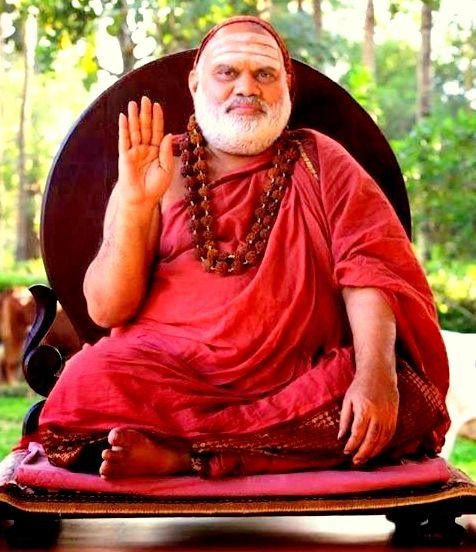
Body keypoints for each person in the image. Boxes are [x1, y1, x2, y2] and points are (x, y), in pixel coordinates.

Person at [36, 15, 450, 480]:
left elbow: (368, 271)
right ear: (196, 84)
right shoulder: (159, 165)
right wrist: (135, 201)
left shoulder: (322, 161)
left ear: (286, 87)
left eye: (264, 74)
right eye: (227, 72)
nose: (247, 88)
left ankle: (187, 456)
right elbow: (108, 308)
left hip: (295, 381)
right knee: (86, 383)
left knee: (394, 393)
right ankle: (241, 450)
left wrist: (375, 377)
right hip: (170, 376)